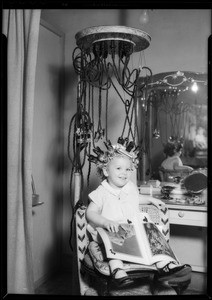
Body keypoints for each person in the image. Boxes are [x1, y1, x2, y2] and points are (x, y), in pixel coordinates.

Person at [86, 139, 192, 288]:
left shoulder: (129, 187)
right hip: (112, 231)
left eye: (128, 169)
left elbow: (135, 199)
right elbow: (90, 213)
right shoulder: (102, 192)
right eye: (118, 168)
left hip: (133, 231)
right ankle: (118, 271)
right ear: (105, 171)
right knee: (114, 247)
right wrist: (105, 222)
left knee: (152, 240)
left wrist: (150, 199)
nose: (124, 173)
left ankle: (167, 266)